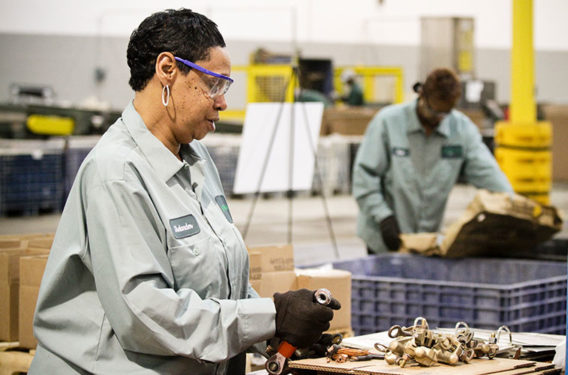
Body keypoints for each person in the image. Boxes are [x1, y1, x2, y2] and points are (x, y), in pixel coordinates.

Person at [29, 9, 339, 374]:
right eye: (214, 85)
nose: (223, 103)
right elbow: (144, 315)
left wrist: (274, 331)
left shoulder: (197, 159)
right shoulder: (116, 173)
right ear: (167, 70)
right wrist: (271, 315)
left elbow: (217, 289)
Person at [352, 68, 512, 254]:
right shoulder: (388, 122)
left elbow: (487, 173)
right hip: (384, 235)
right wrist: (383, 216)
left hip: (425, 240)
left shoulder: (461, 129)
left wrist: (512, 205)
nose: (438, 118)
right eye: (433, 111)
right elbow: (364, 176)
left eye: (444, 114)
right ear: (421, 95)